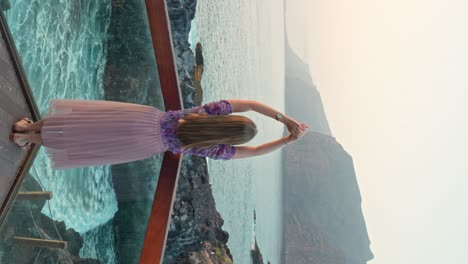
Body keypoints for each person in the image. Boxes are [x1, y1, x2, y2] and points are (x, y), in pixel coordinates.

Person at [10, 99, 309, 169]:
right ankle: (28, 140)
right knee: (85, 139)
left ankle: (28, 127)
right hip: (147, 142)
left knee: (86, 121)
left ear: (231, 119)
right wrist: (287, 141)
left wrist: (287, 120)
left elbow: (253, 104)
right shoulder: (214, 149)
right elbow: (256, 152)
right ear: (231, 139)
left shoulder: (213, 111)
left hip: (143, 118)